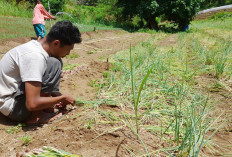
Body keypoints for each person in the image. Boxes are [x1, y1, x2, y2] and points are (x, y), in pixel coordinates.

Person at [0, 20, 82, 125]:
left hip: (9, 99)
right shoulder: (35, 57)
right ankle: (36, 116)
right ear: (56, 43)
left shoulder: (35, 46)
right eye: (68, 50)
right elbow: (32, 104)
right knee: (54, 63)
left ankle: (44, 108)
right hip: (13, 108)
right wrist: (61, 98)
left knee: (53, 62)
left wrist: (55, 95)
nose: (68, 54)